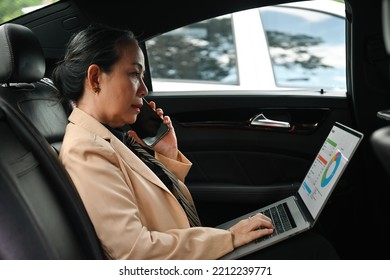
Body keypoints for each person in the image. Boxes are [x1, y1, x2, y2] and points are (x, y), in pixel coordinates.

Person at [52, 23, 339, 260]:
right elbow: (135, 252)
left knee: (309, 241)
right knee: (315, 250)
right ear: (95, 77)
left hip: (188, 249)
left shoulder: (113, 134)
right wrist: (229, 238)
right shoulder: (86, 149)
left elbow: (161, 206)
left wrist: (167, 153)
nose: (144, 88)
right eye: (134, 74)